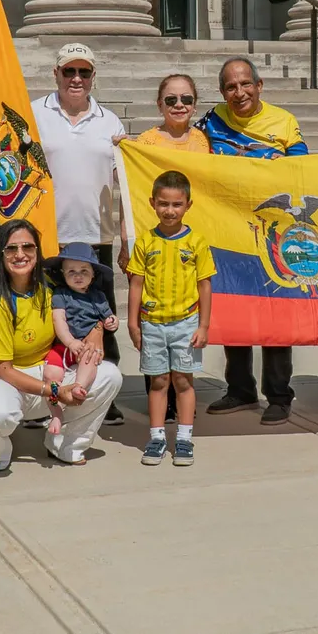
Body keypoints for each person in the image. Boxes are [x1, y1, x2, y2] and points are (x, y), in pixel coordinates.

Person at [199, 57, 307, 426]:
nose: (239, 92)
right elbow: (185, 150)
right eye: (231, 86)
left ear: (259, 86)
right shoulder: (211, 120)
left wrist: (278, 165)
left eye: (246, 84)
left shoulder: (284, 122)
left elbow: (304, 171)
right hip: (227, 230)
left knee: (276, 313)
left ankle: (279, 394)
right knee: (235, 309)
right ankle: (240, 389)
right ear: (222, 92)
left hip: (273, 232)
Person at [0, 220, 124, 470]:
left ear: (37, 251)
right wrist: (53, 391)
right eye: (11, 248)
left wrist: (97, 331)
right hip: (3, 379)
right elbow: (2, 370)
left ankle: (65, 443)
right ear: (0, 254)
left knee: (109, 375)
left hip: (49, 371)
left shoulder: (52, 286)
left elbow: (86, 308)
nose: (20, 254)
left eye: (27, 247)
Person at [31, 42, 128, 426]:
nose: (76, 78)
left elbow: (127, 185)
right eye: (68, 71)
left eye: (83, 72)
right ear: (55, 73)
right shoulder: (33, 114)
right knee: (46, 318)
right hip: (46, 236)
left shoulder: (111, 122)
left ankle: (103, 390)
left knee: (99, 317)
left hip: (95, 236)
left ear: (93, 77)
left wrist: (126, 238)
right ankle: (44, 393)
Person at [115, 73, 211, 421]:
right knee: (153, 319)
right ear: (159, 104)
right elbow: (130, 194)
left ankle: (181, 397)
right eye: (171, 99)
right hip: (151, 241)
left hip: (189, 242)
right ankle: (161, 398)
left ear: (195, 105)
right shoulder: (146, 141)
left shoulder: (202, 141)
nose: (179, 105)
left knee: (183, 318)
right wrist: (126, 240)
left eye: (186, 99)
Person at [128, 170, 214, 467]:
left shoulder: (197, 242)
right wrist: (133, 323)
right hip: (152, 323)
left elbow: (205, 285)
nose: (170, 210)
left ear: (188, 205)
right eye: (163, 203)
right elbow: (136, 283)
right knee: (159, 381)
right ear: (152, 202)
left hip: (186, 324)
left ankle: (185, 438)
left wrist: (203, 325)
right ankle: (156, 438)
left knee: (183, 381)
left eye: (177, 204)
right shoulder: (145, 242)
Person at [42, 243, 119, 434]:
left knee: (90, 358)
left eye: (84, 271)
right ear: (63, 274)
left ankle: (78, 387)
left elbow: (108, 317)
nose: (78, 276)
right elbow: (58, 319)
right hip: (63, 347)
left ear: (93, 275)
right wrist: (70, 342)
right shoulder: (61, 294)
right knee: (51, 375)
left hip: (86, 346)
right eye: (72, 271)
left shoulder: (98, 296)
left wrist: (112, 322)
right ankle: (55, 413)